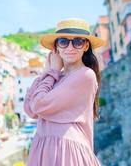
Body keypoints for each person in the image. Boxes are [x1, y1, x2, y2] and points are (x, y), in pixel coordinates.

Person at [24, 18, 105, 166]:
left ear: (86, 46)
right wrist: (48, 72)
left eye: (77, 42)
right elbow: (30, 109)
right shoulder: (55, 77)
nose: (70, 47)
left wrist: (52, 71)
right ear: (56, 48)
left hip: (67, 151)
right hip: (45, 148)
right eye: (63, 41)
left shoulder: (85, 75)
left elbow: (38, 105)